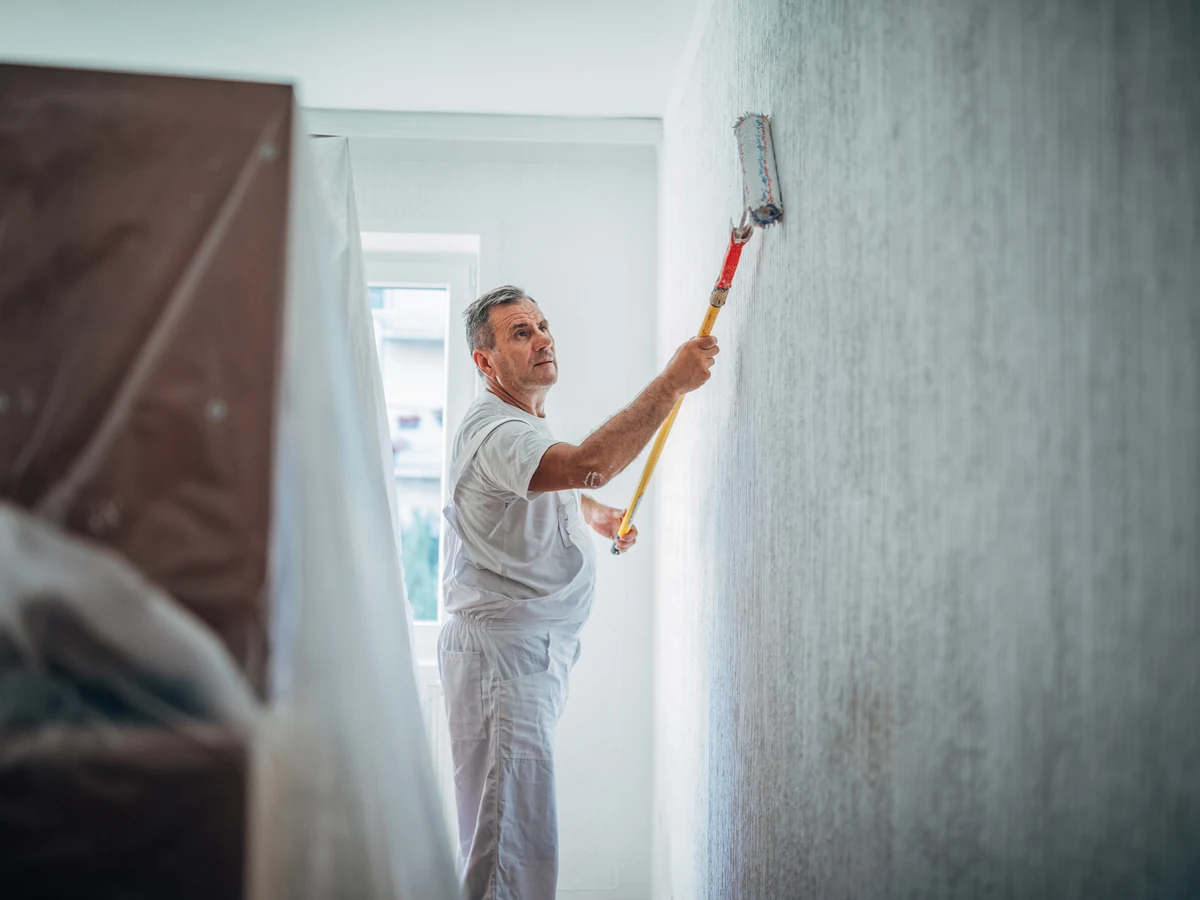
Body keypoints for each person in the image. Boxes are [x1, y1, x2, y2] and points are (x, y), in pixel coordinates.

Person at [438, 285, 719, 899]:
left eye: (541, 325)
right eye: (520, 332)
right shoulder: (501, 433)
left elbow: (552, 484)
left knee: (516, 837)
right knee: (510, 849)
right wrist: (671, 384)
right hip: (504, 664)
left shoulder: (519, 422)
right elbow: (588, 461)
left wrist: (590, 513)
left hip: (521, 656)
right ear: (485, 362)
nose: (542, 338)